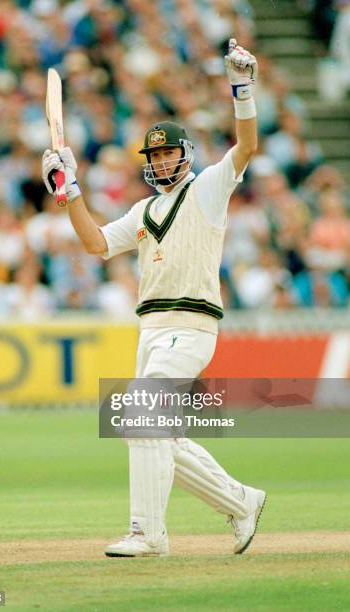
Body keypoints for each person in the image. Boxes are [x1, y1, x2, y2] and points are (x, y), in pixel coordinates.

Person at [42, 39, 266, 557]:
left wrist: (242, 88)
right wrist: (69, 189)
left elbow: (247, 146)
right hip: (150, 329)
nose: (163, 160)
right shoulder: (143, 211)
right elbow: (96, 243)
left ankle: (149, 533)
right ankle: (240, 501)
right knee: (148, 431)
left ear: (184, 155)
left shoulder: (209, 187)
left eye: (169, 151)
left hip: (192, 325)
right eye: (156, 153)